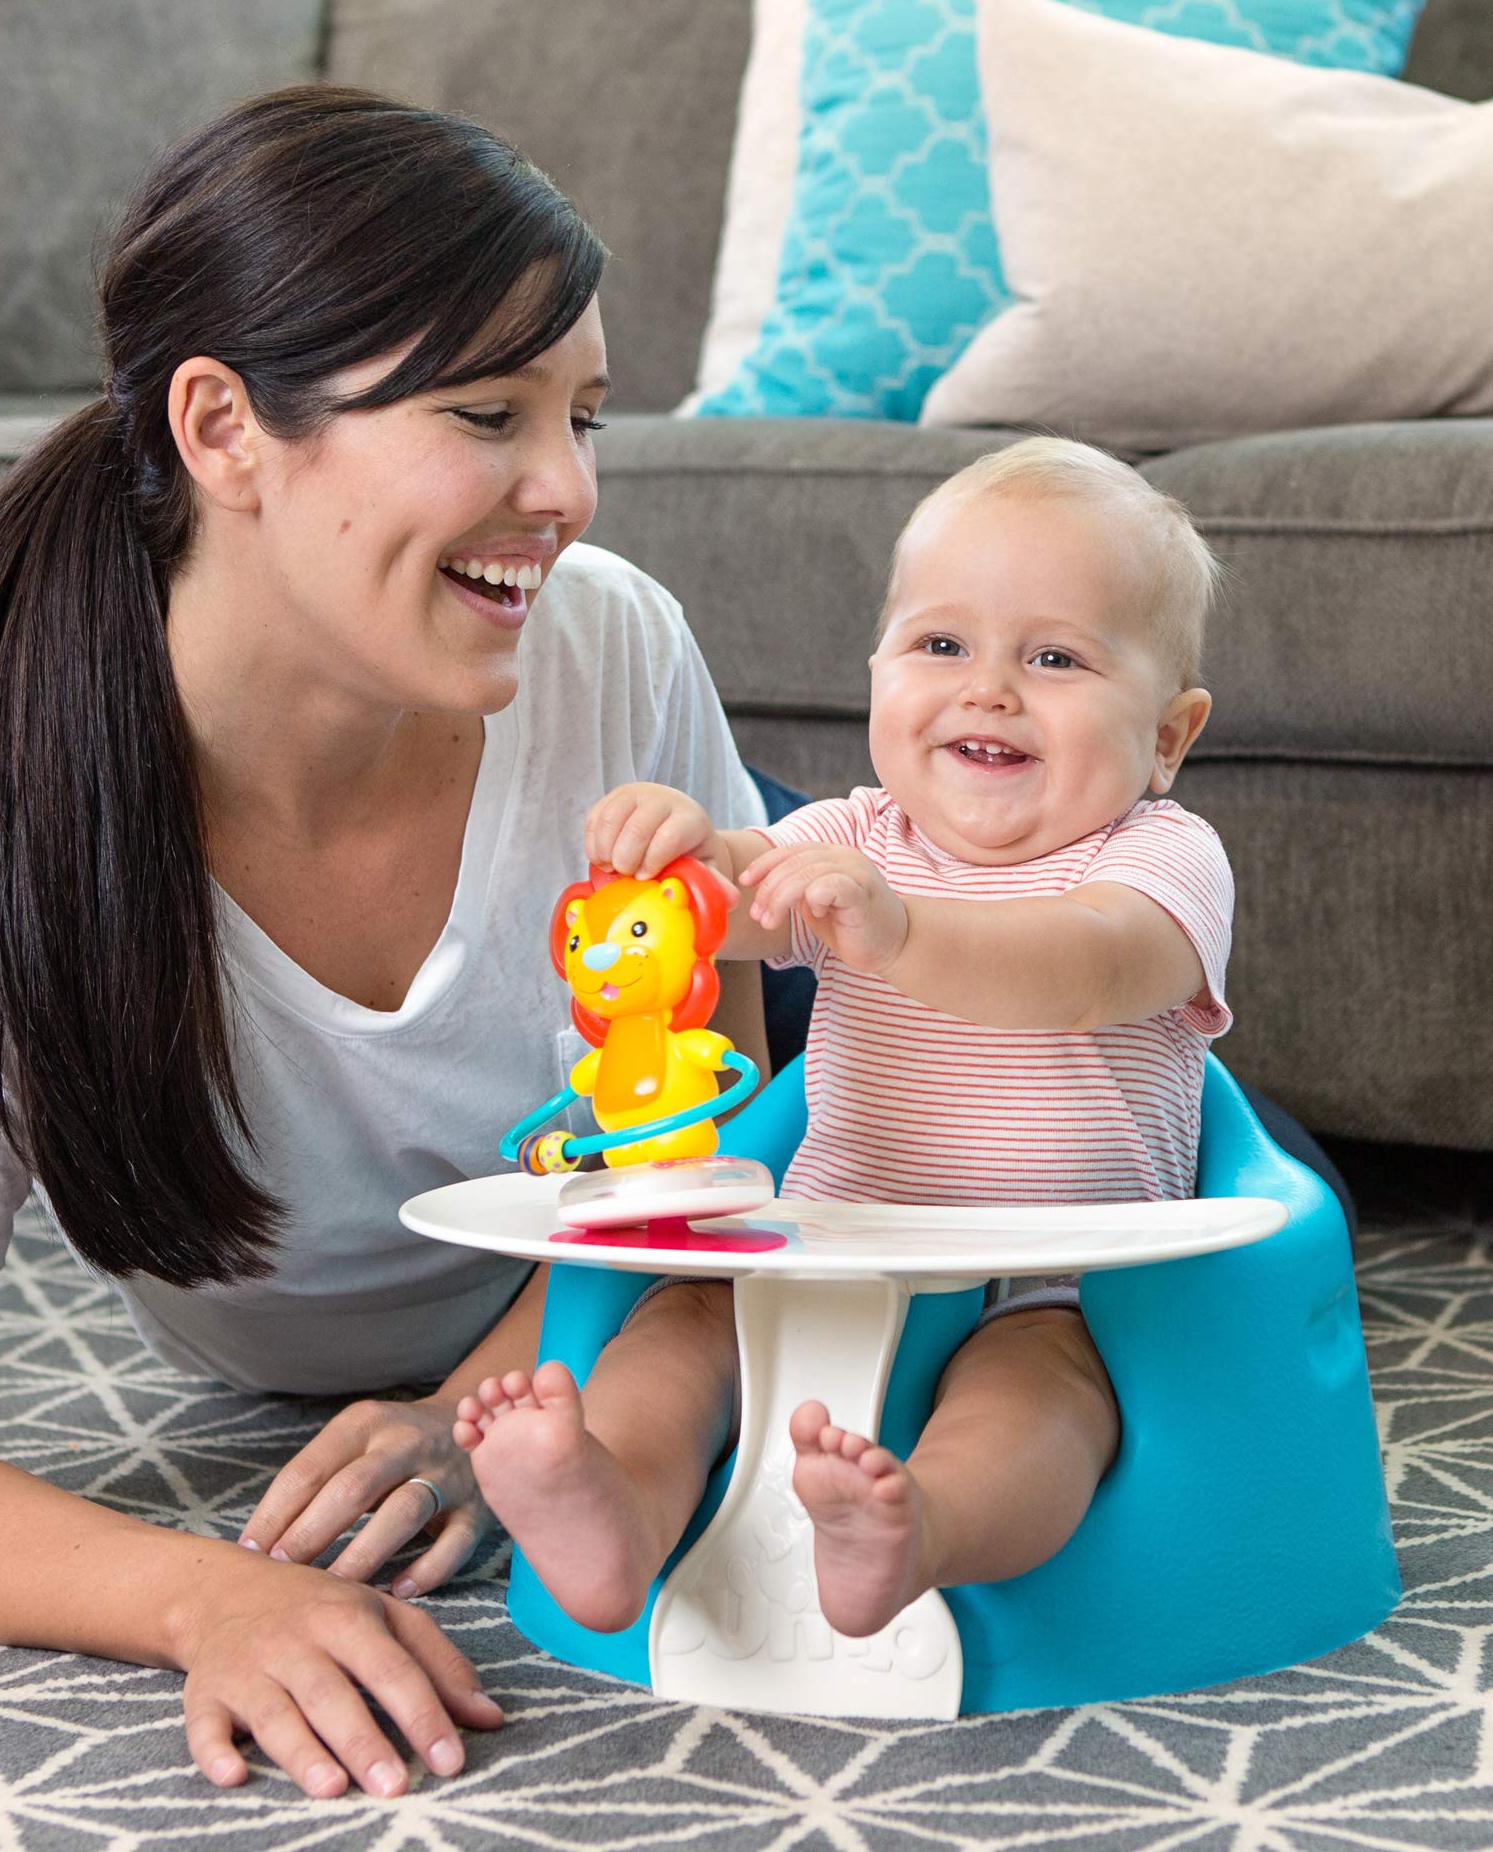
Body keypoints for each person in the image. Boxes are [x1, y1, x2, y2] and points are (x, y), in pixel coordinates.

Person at [0, 86, 771, 1801]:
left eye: (584, 416)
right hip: (272, 1333)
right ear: (222, 430)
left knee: (1024, 1040)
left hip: (651, 1079)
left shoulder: (613, 652)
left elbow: (719, 1171)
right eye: (488, 413)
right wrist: (209, 1597)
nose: (567, 491)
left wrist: (494, 1392)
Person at [452, 437, 1234, 1644]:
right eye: (939, 645)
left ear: (1168, 734)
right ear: (875, 672)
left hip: (1052, 1272)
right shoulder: (853, 833)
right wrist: (684, 851)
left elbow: (1081, 971)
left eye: (1054, 657)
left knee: (1046, 1402)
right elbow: (738, 896)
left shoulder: (1157, 856)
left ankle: (918, 1528)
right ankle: (609, 1502)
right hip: (826, 1238)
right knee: (680, 1321)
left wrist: (901, 929)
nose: (987, 688)